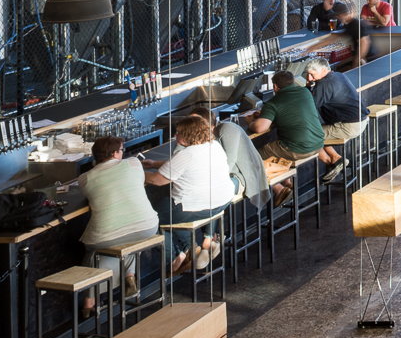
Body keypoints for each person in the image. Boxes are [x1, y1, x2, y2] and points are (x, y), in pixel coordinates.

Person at [144, 113, 233, 268]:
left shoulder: (186, 154)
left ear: (186, 136)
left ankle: (174, 258)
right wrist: (153, 163)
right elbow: (181, 166)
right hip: (222, 203)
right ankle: (192, 250)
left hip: (198, 207)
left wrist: (134, 172)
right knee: (168, 211)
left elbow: (156, 180)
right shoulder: (214, 146)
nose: (174, 135)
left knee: (150, 217)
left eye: (177, 132)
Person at [79, 134, 163, 287]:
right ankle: (129, 274)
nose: (123, 153)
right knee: (128, 240)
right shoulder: (133, 163)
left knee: (93, 252)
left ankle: (91, 303)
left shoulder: (85, 178)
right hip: (147, 227)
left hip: (106, 236)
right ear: (114, 153)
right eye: (121, 150)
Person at [249, 69, 326, 198]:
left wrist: (250, 121)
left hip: (298, 149)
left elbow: (259, 128)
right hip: (318, 145)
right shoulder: (305, 92)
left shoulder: (273, 103)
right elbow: (292, 111)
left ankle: (278, 189)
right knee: (280, 145)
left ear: (275, 86)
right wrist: (266, 115)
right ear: (293, 82)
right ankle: (287, 183)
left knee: (254, 157)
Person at [304, 58, 365, 149]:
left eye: (312, 74)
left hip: (347, 126)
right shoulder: (339, 75)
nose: (309, 78)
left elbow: (309, 106)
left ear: (324, 70)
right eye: (307, 74)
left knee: (303, 135)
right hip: (360, 121)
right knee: (317, 131)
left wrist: (307, 87)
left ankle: (335, 159)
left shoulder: (323, 84)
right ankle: (335, 159)